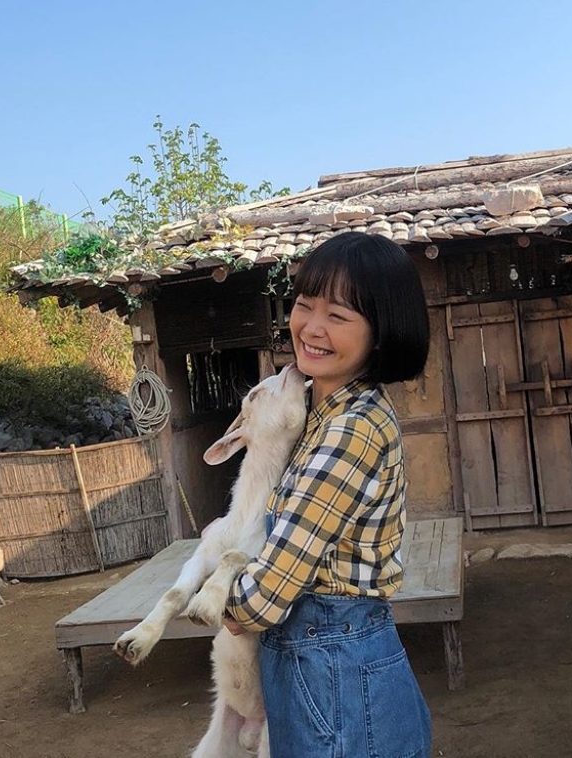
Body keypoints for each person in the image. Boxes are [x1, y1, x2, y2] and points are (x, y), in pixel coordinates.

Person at [224, 231, 432, 758]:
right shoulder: (319, 410)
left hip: (332, 664)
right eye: (304, 305)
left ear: (380, 334)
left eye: (338, 316)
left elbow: (268, 593)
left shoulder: (351, 429)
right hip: (326, 657)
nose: (312, 328)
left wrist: (218, 600)